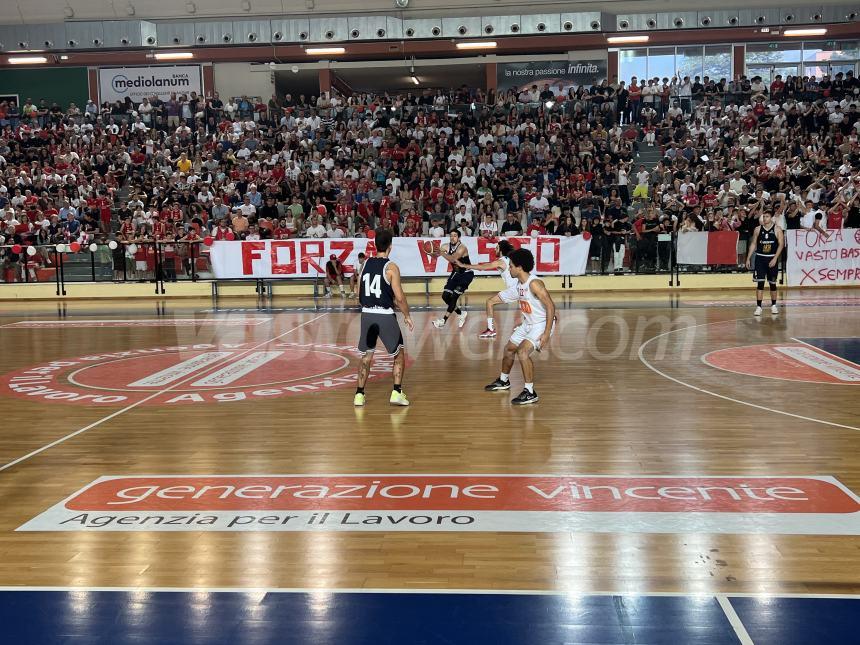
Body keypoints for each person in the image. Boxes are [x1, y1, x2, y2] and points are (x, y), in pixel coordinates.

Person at [484, 248, 556, 405]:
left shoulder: (535, 284)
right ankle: (504, 381)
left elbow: (550, 306)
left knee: (522, 352)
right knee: (509, 348)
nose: (508, 268)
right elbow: (505, 296)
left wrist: (546, 332)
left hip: (541, 324)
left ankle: (530, 392)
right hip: (528, 324)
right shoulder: (519, 284)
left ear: (520, 267)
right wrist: (491, 301)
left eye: (510, 266)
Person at [354, 228, 413, 407]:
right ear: (390, 247)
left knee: (366, 356)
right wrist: (407, 315)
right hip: (385, 316)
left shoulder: (364, 264)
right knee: (399, 354)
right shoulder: (391, 267)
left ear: (374, 244)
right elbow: (400, 298)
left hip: (367, 314)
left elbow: (358, 293)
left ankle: (359, 395)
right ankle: (396, 392)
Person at [457, 239, 517, 339]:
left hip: (514, 290)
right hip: (520, 287)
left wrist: (464, 265)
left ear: (501, 249)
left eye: (497, 248)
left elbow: (483, 267)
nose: (495, 249)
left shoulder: (501, 261)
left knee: (490, 302)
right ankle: (535, 321)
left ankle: (490, 330)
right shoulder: (510, 259)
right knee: (527, 301)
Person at [431, 230, 474, 329]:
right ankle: (461, 313)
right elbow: (436, 256)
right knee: (445, 296)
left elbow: (453, 259)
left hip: (466, 274)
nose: (452, 237)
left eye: (455, 236)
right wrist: (431, 253)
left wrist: (441, 253)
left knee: (454, 296)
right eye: (451, 236)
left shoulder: (462, 248)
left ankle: (443, 321)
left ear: (458, 238)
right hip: (455, 273)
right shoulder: (445, 246)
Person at [745, 210, 785, 316]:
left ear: (771, 218)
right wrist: (748, 258)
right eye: (764, 216)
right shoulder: (758, 229)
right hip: (760, 259)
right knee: (760, 284)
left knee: (772, 283)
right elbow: (753, 244)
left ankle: (774, 305)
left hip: (772, 258)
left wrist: (775, 258)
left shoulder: (777, 229)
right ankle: (758, 307)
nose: (765, 218)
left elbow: (781, 245)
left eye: (767, 216)